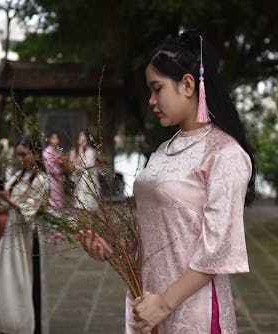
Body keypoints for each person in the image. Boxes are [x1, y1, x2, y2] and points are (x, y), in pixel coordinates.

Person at [78, 30, 256, 334]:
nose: (150, 100)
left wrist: (164, 304)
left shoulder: (224, 154)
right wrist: (113, 248)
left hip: (191, 310)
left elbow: (217, 250)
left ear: (188, 84)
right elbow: (154, 231)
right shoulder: (163, 150)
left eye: (156, 89)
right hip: (148, 304)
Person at [0, 136, 50, 334]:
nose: (21, 159)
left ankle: (25, 324)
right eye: (19, 155)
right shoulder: (17, 175)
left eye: (25, 154)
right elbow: (6, 204)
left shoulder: (42, 180)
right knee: (3, 275)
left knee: (25, 280)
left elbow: (30, 211)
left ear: (36, 154)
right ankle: (6, 319)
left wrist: (9, 199)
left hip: (27, 236)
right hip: (11, 231)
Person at [68, 129, 100, 211]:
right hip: (81, 182)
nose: (81, 141)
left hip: (89, 182)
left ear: (88, 140)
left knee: (89, 204)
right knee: (81, 204)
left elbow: (88, 165)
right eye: (80, 139)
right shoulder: (80, 150)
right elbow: (73, 164)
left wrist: (78, 167)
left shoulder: (91, 151)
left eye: (83, 139)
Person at [42, 131, 64, 211]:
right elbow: (50, 168)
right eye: (54, 138)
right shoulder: (47, 151)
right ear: (49, 139)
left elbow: (61, 162)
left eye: (57, 138)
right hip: (52, 179)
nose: (56, 140)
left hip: (58, 178)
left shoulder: (56, 150)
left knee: (59, 198)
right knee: (54, 199)